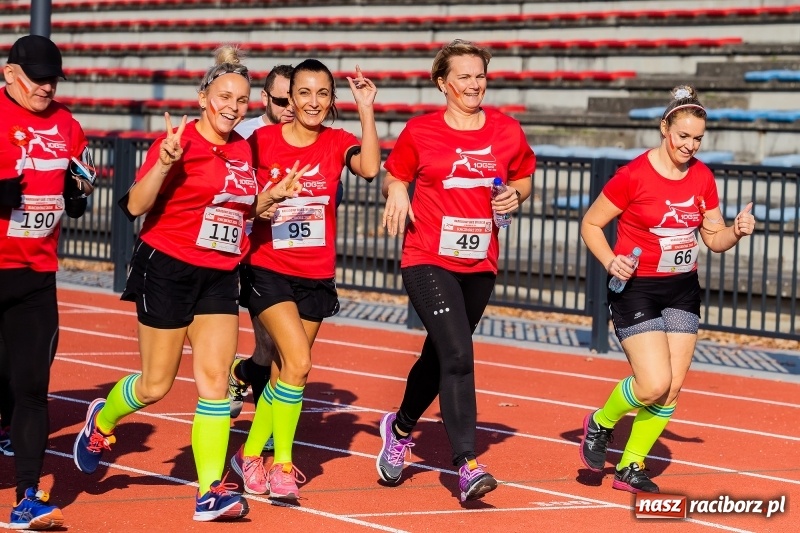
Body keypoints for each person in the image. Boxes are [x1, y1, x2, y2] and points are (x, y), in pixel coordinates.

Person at [71, 45, 303, 522]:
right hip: (168, 268)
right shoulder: (178, 142)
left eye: (241, 100)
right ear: (203, 98)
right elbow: (135, 207)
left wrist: (267, 199)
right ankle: (104, 419)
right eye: (224, 97)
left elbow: (237, 210)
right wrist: (165, 161)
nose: (233, 107)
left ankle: (208, 491)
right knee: (157, 383)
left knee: (216, 383)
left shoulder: (242, 148)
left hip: (219, 274)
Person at [375, 39, 534, 503]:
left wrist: (516, 195)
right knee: (460, 354)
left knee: (441, 354)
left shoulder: (506, 130)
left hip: (480, 261)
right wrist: (398, 191)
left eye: (479, 75)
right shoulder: (421, 131)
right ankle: (466, 464)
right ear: (443, 83)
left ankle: (400, 428)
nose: (474, 84)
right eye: (463, 76)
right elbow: (396, 173)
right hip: (427, 256)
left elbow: (523, 175)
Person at [578, 85, 756, 493]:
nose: (690, 145)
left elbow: (714, 239)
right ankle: (602, 422)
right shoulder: (633, 176)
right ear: (664, 129)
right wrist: (610, 260)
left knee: (673, 385)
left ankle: (630, 466)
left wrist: (736, 232)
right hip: (636, 288)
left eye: (697, 138)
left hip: (681, 289)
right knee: (653, 382)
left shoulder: (703, 177)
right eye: (683, 136)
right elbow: (590, 223)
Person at [229, 58, 379, 500]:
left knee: (284, 373)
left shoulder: (337, 141)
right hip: (267, 268)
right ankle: (284, 465)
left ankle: (250, 454)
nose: (313, 102)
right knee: (298, 363)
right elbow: (238, 199)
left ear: (332, 100)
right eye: (305, 93)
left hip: (315, 274)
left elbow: (369, 168)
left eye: (323, 94)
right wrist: (263, 202)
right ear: (289, 99)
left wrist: (366, 108)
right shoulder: (260, 141)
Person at [1, 34, 96, 529]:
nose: (46, 86)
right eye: (37, 78)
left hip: (37, 273)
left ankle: (27, 498)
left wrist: (76, 192)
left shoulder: (66, 124)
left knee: (33, 388)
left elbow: (76, 177)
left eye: (52, 78)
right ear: (10, 75)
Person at [228, 64, 294, 424]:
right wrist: (257, 209)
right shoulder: (244, 136)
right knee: (273, 345)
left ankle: (241, 375)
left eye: (294, 100)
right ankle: (265, 427)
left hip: (295, 252)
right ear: (265, 98)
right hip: (252, 252)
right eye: (281, 100)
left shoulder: (307, 135)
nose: (289, 109)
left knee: (275, 348)